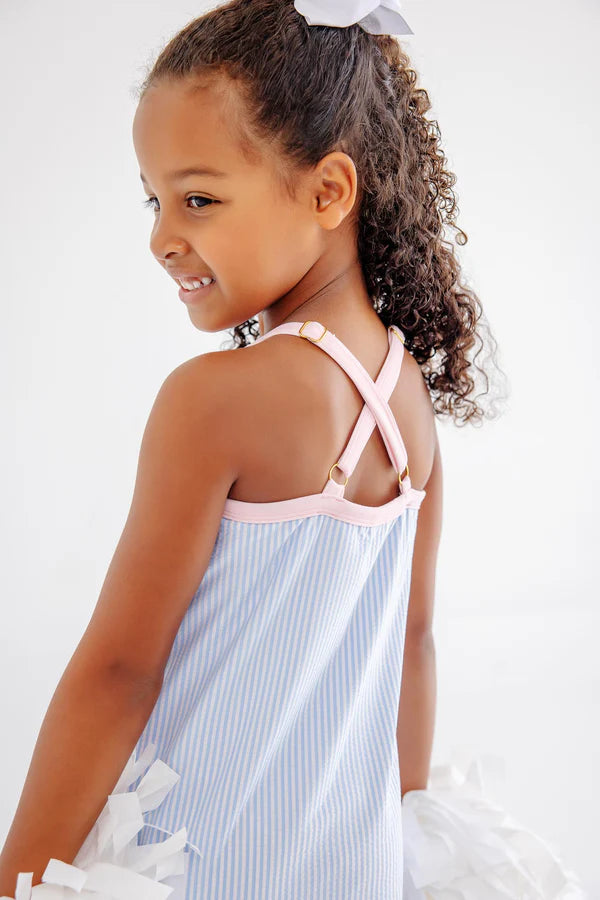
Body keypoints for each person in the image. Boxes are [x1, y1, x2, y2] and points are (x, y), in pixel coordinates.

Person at [0, 1, 588, 898]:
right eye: (155, 200)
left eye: (199, 199)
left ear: (328, 192)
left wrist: (18, 878)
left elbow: (119, 672)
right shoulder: (406, 397)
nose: (162, 237)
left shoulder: (215, 400)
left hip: (201, 865)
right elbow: (413, 645)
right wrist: (402, 841)